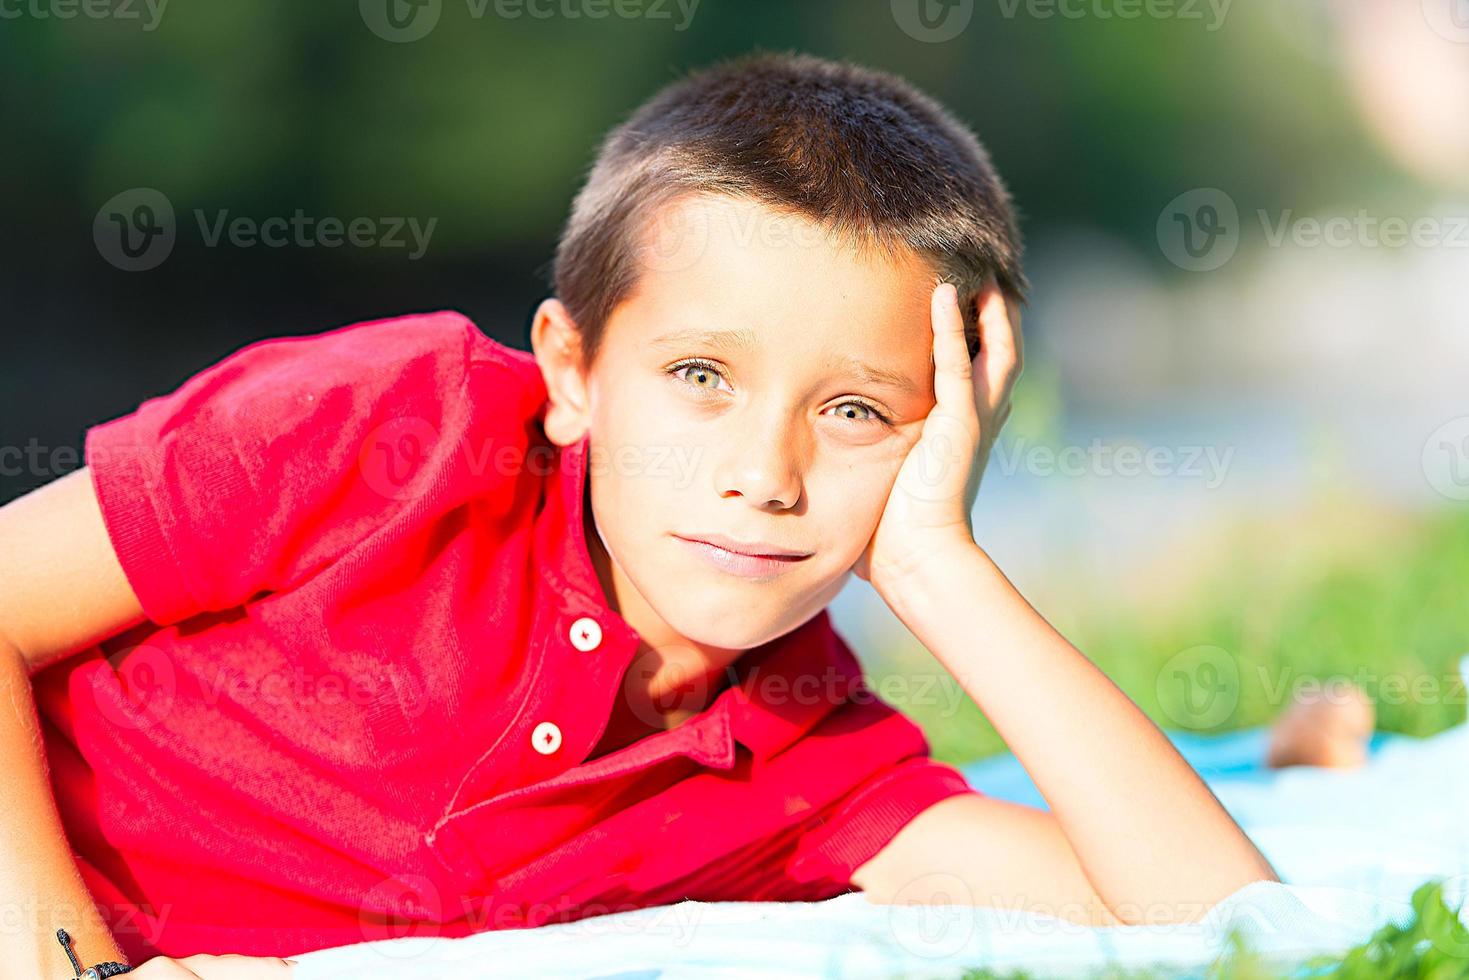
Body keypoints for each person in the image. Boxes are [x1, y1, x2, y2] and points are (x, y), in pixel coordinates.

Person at [0, 51, 1277, 979]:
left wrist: (938, 565)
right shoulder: (393, 425)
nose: (764, 475)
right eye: (700, 378)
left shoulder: (806, 758)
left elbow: (1226, 925)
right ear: (570, 373)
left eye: (853, 412)